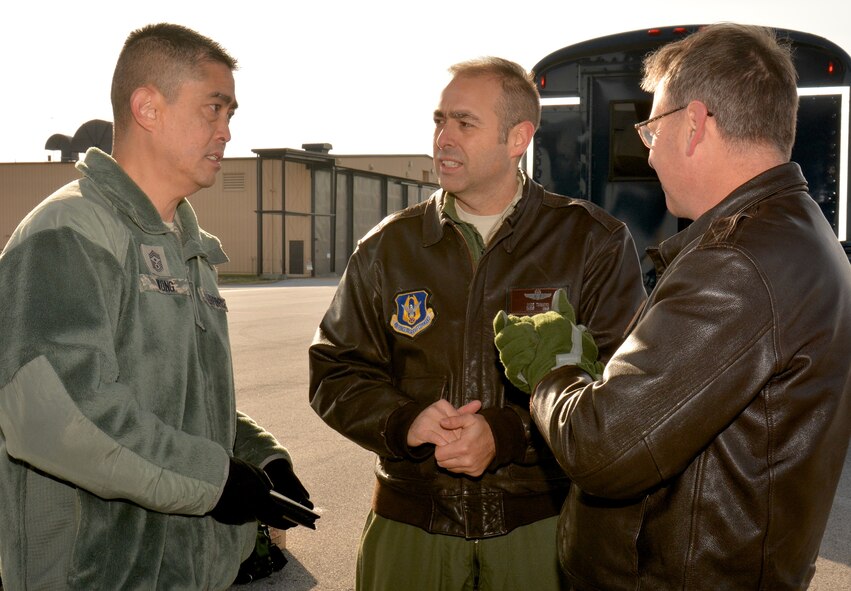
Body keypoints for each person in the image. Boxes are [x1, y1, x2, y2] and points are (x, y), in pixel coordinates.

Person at [494, 23, 851, 590]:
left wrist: (551, 370)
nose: (649, 150)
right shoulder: (795, 232)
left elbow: (604, 448)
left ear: (694, 123)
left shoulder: (738, 261)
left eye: (650, 128)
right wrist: (599, 375)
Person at [308, 56, 646, 590]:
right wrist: (404, 420)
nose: (443, 137)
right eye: (440, 120)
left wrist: (508, 434)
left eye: (464, 123)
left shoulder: (590, 242)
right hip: (410, 528)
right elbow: (334, 370)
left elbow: (622, 386)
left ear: (518, 138)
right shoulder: (388, 247)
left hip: (539, 528)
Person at [0, 23, 313, 590]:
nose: (227, 132)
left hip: (189, 573)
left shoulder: (184, 244)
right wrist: (216, 481)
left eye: (230, 114)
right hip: (96, 575)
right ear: (148, 107)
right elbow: (61, 415)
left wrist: (260, 459)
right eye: (213, 110)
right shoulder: (68, 232)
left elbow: (186, 400)